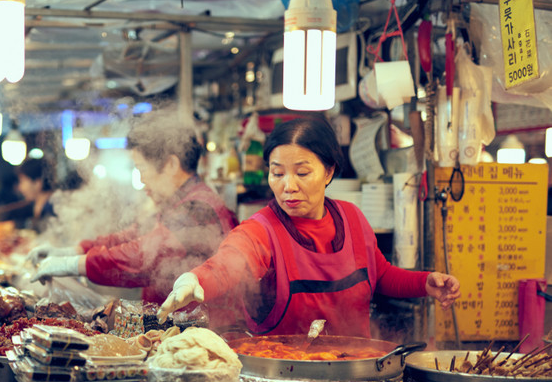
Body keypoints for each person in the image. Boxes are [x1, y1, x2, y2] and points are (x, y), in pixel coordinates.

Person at [157, 115, 461, 337]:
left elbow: (379, 276)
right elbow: (226, 264)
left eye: (302, 173)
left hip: (357, 374)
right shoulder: (262, 229)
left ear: (328, 172)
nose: (288, 186)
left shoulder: (352, 217)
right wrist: (193, 280)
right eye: (277, 173)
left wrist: (424, 283)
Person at [29, 107, 239, 313]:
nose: (140, 179)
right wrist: (74, 251)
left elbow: (143, 257)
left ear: (171, 165)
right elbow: (131, 236)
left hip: (206, 333)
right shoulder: (175, 204)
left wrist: (72, 264)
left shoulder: (198, 209)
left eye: (142, 169)